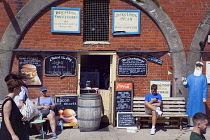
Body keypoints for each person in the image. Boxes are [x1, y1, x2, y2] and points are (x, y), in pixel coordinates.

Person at [183, 61, 208, 129]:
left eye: (199, 66)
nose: (198, 68)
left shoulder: (203, 77)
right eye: (197, 66)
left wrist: (204, 97)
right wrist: (185, 83)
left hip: (199, 97)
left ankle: (200, 123)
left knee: (199, 110)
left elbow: (205, 88)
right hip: (191, 96)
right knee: (191, 110)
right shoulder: (190, 76)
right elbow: (186, 85)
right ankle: (191, 123)